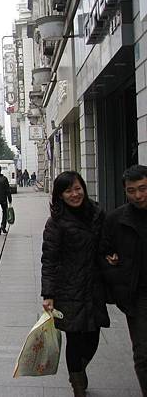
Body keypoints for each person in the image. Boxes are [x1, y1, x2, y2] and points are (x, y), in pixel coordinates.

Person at [41, 171, 109, 396]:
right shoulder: (56, 223)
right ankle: (78, 385)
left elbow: (106, 243)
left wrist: (111, 255)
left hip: (94, 286)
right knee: (75, 338)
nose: (74, 194)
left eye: (77, 188)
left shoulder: (97, 214)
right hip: (68, 289)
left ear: (84, 189)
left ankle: (79, 369)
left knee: (93, 338)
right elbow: (49, 260)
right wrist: (48, 294)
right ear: (60, 195)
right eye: (68, 191)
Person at [100, 165, 147, 395]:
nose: (138, 195)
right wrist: (115, 273)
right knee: (143, 353)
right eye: (131, 190)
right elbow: (103, 253)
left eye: (143, 188)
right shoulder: (116, 219)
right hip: (137, 295)